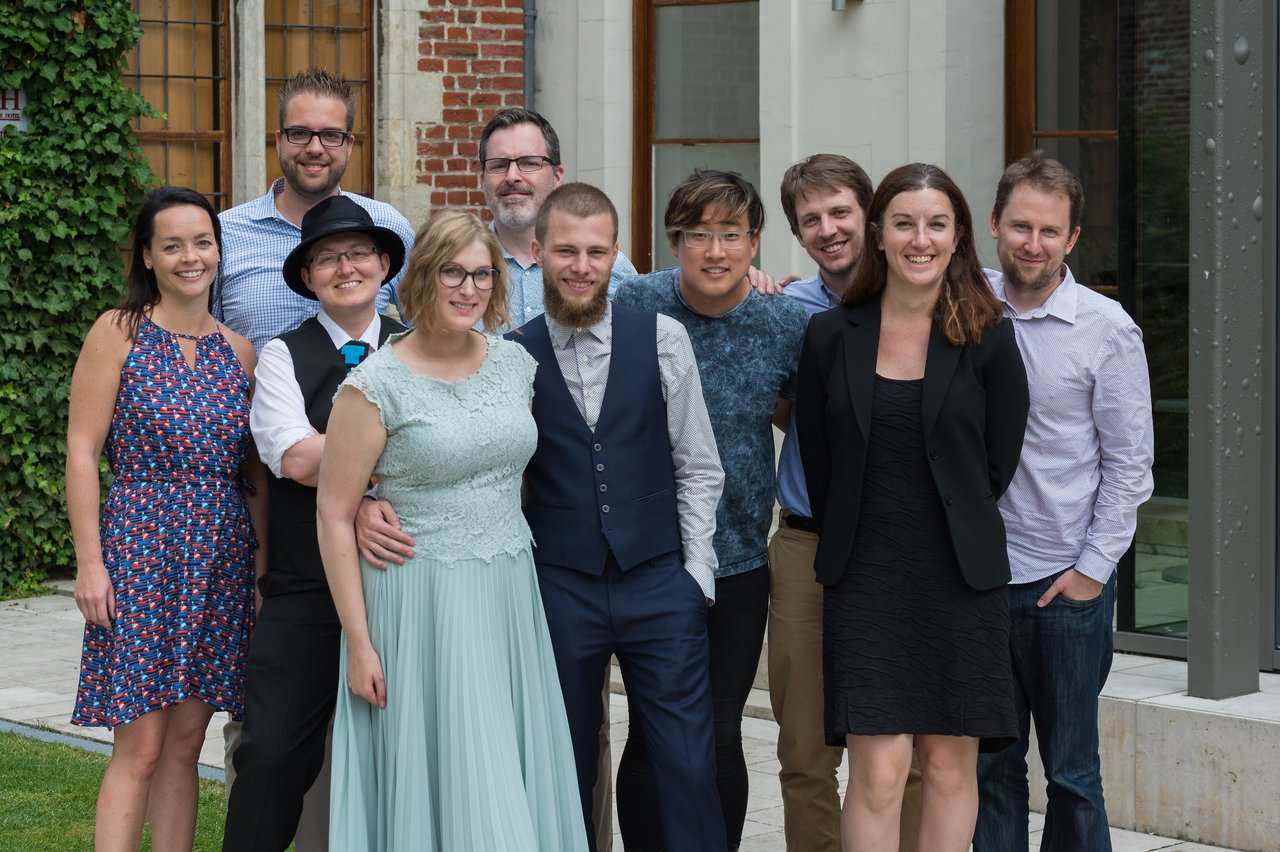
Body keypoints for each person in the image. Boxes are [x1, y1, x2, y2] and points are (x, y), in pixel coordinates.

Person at [315, 210, 586, 850]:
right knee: (446, 769)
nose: (469, 289)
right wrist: (360, 644)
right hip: (419, 602)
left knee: (505, 764)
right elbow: (332, 512)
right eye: (452, 273)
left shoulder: (515, 366)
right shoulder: (375, 385)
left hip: (508, 594)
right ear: (420, 279)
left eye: (483, 275)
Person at [796, 162, 1029, 852]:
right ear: (878, 235)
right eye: (904, 223)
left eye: (936, 224)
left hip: (959, 580)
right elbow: (821, 457)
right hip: (866, 579)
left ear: (958, 238)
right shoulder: (830, 338)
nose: (919, 239)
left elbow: (996, 464)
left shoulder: (990, 338)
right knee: (877, 771)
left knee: (952, 768)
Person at [613, 169, 809, 852]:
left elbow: (800, 412)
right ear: (675, 241)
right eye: (700, 234)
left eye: (732, 234)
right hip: (645, 557)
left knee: (721, 729)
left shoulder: (786, 322)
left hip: (740, 559)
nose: (716, 251)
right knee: (650, 727)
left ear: (755, 242)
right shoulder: (634, 304)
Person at [67, 186, 267, 851]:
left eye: (202, 242)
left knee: (187, 746)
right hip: (139, 553)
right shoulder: (117, 331)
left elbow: (254, 477)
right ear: (147, 256)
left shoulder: (241, 352)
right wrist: (91, 564)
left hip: (219, 557)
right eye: (173, 244)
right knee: (142, 745)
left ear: (219, 250)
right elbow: (82, 450)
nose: (191, 256)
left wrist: (262, 574)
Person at [974, 153, 1154, 852]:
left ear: (1072, 238)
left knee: (1073, 774)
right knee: (992, 768)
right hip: (982, 583)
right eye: (1020, 226)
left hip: (1064, 587)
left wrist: (1091, 572)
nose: (1032, 243)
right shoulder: (967, 306)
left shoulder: (1106, 329)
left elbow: (1130, 466)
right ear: (995, 225)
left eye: (1049, 231)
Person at [221, 196, 407, 851]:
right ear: (308, 278)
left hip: (408, 584)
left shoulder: (424, 349)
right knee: (269, 756)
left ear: (385, 264)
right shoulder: (281, 357)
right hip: (306, 589)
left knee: (409, 767)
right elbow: (293, 456)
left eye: (358, 253)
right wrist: (394, 442)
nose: (345, 268)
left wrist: (349, 448)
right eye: (328, 259)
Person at [769, 154, 920, 852]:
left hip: (900, 547)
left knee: (906, 745)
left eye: (840, 213)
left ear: (870, 215)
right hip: (808, 544)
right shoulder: (787, 312)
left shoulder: (922, 295)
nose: (828, 229)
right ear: (798, 233)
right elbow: (778, 406)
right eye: (811, 219)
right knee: (804, 748)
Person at [217, 68, 415, 352]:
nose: (314, 148)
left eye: (331, 135)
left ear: (348, 145)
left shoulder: (387, 226)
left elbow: (427, 330)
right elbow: (198, 341)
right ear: (278, 141)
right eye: (299, 133)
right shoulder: (225, 234)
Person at [479, 107, 638, 327]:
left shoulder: (613, 271)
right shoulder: (455, 270)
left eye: (529, 163)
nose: (512, 176)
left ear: (557, 177)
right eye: (499, 165)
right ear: (482, 180)